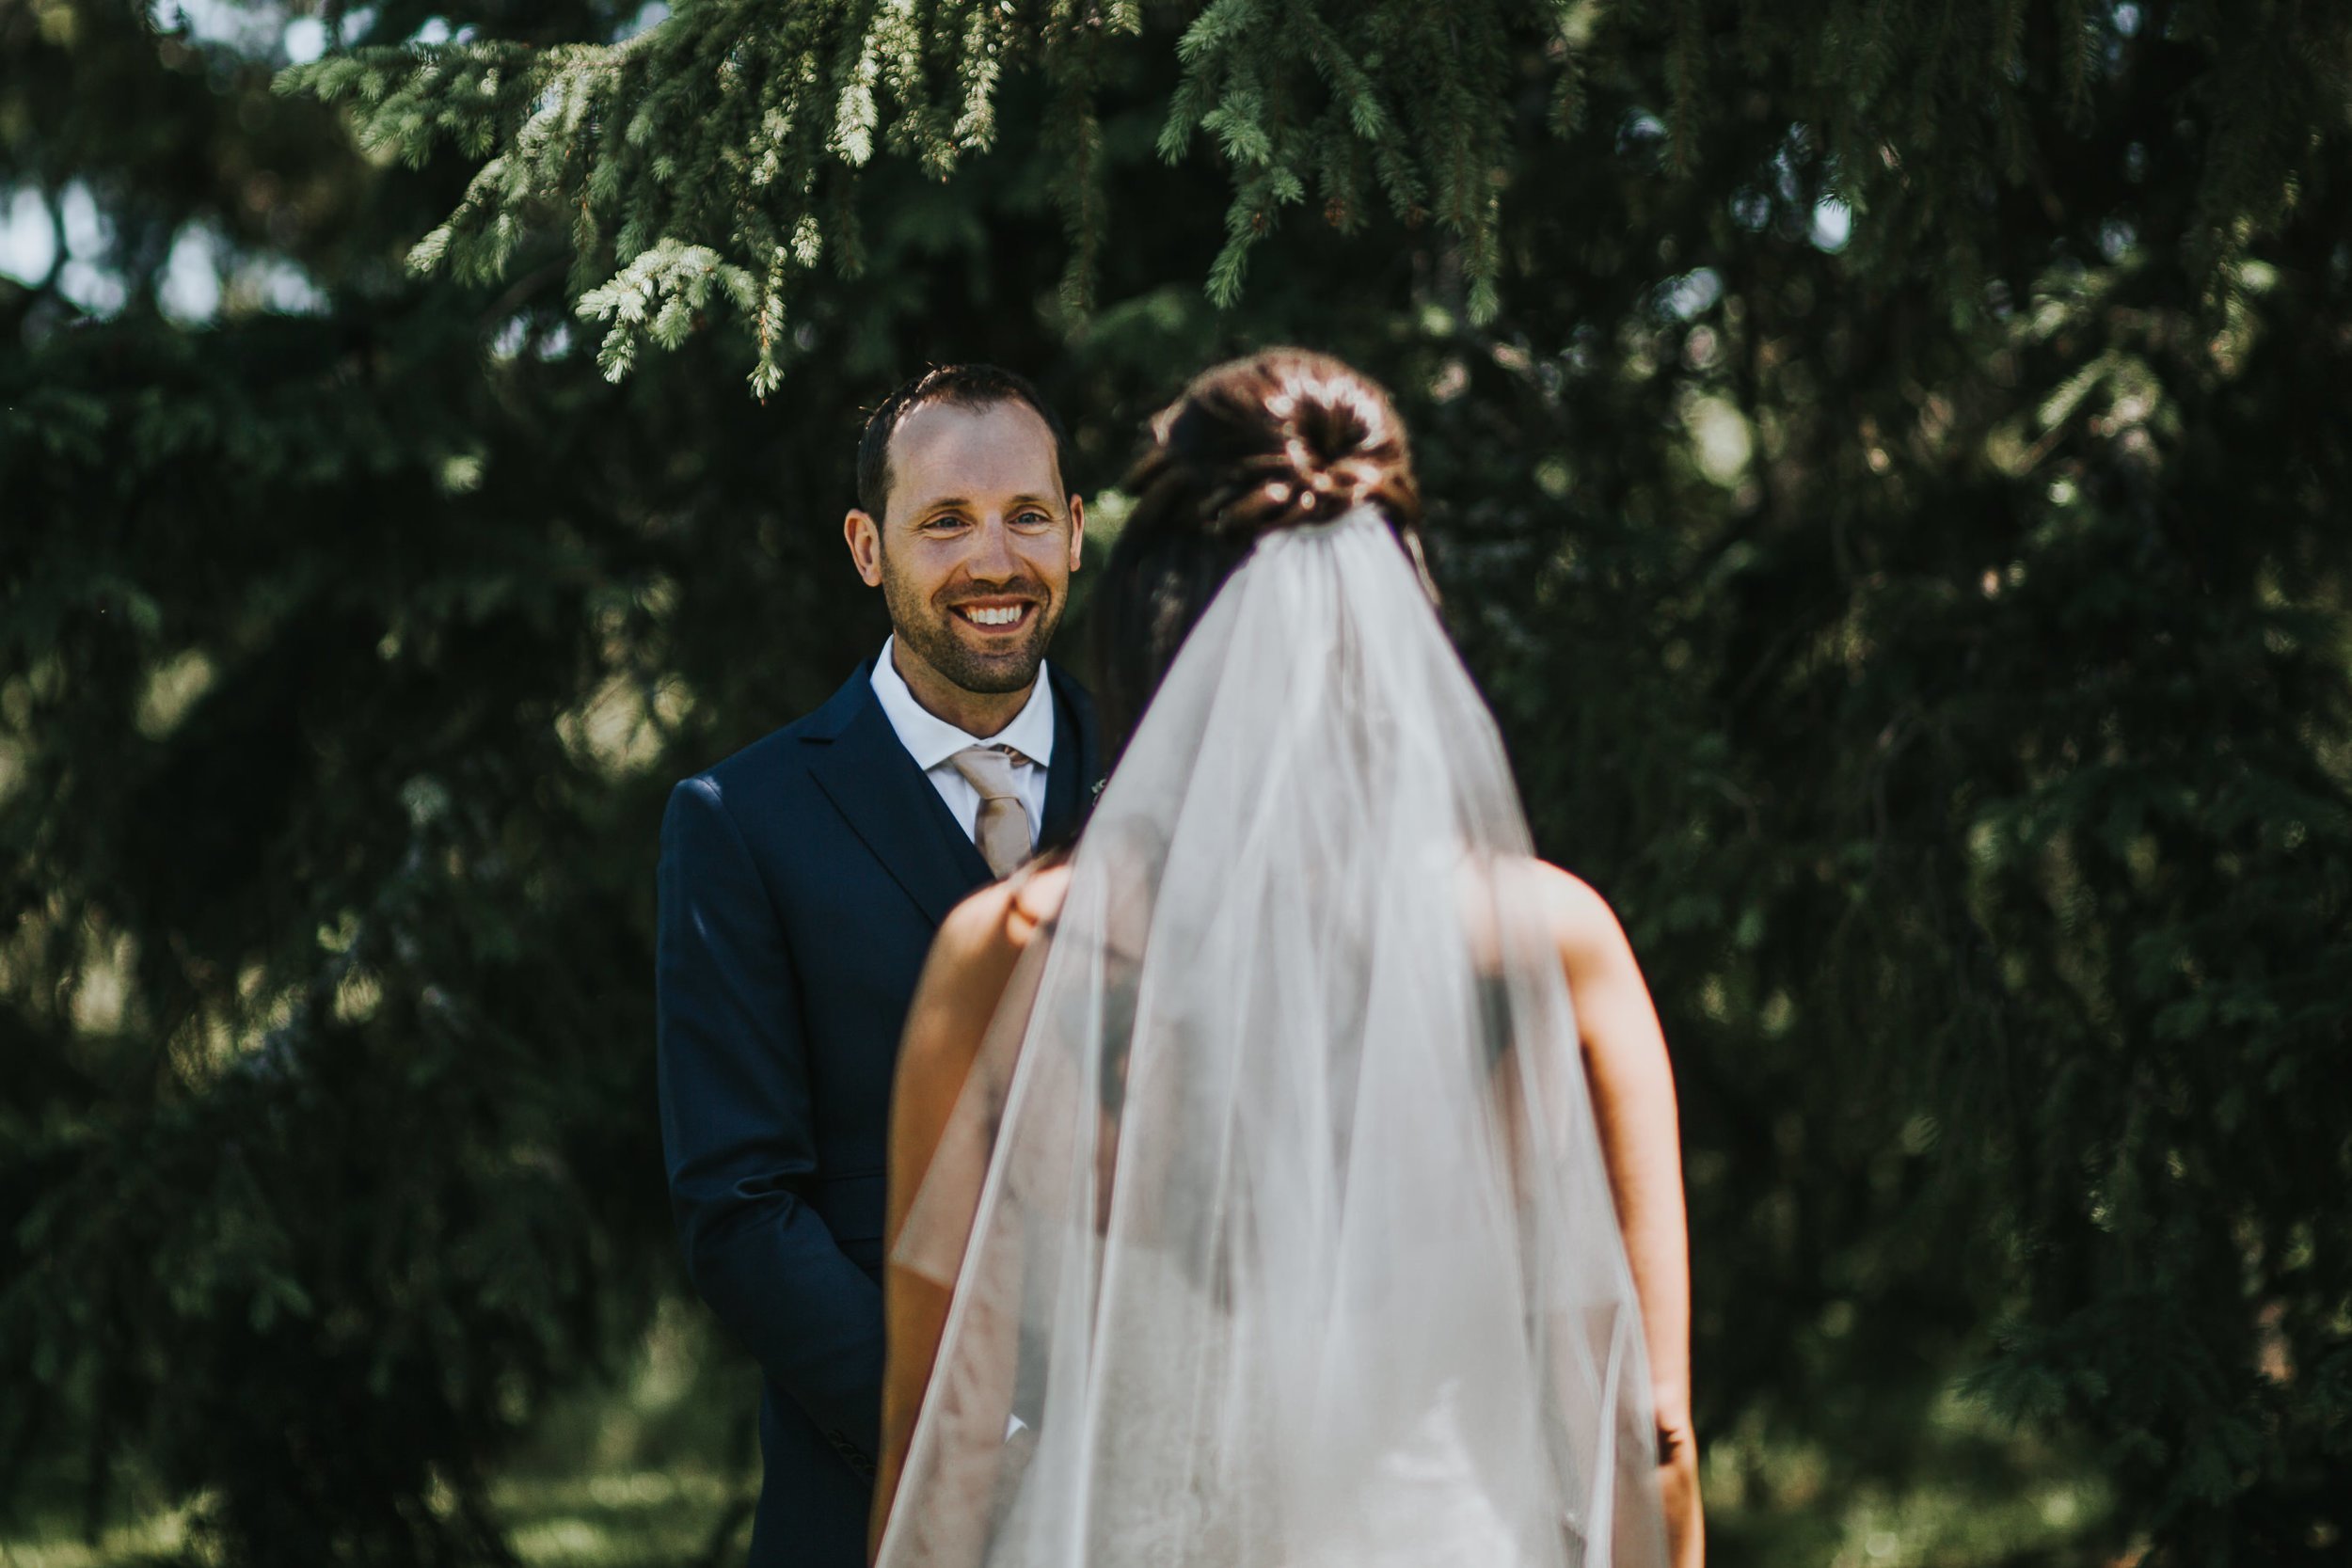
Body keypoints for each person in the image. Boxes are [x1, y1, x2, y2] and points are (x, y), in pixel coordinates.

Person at [869, 350, 1702, 1568]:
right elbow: (1649, 1429)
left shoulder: (1013, 954)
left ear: (1155, 618)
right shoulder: (1552, 944)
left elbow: (940, 1429)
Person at [656, 364, 1103, 1568]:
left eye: (1024, 514)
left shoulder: (1172, 782)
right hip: (875, 1504)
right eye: (944, 521)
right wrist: (971, 1441)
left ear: (1074, 528)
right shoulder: (741, 819)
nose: (993, 561)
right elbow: (739, 1208)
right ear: (867, 546)